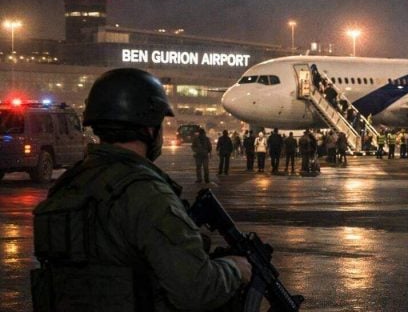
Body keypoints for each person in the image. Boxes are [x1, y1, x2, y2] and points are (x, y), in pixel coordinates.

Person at [31, 68, 250, 311]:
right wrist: (234, 268)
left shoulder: (67, 186)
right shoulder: (148, 194)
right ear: (149, 128)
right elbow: (195, 290)